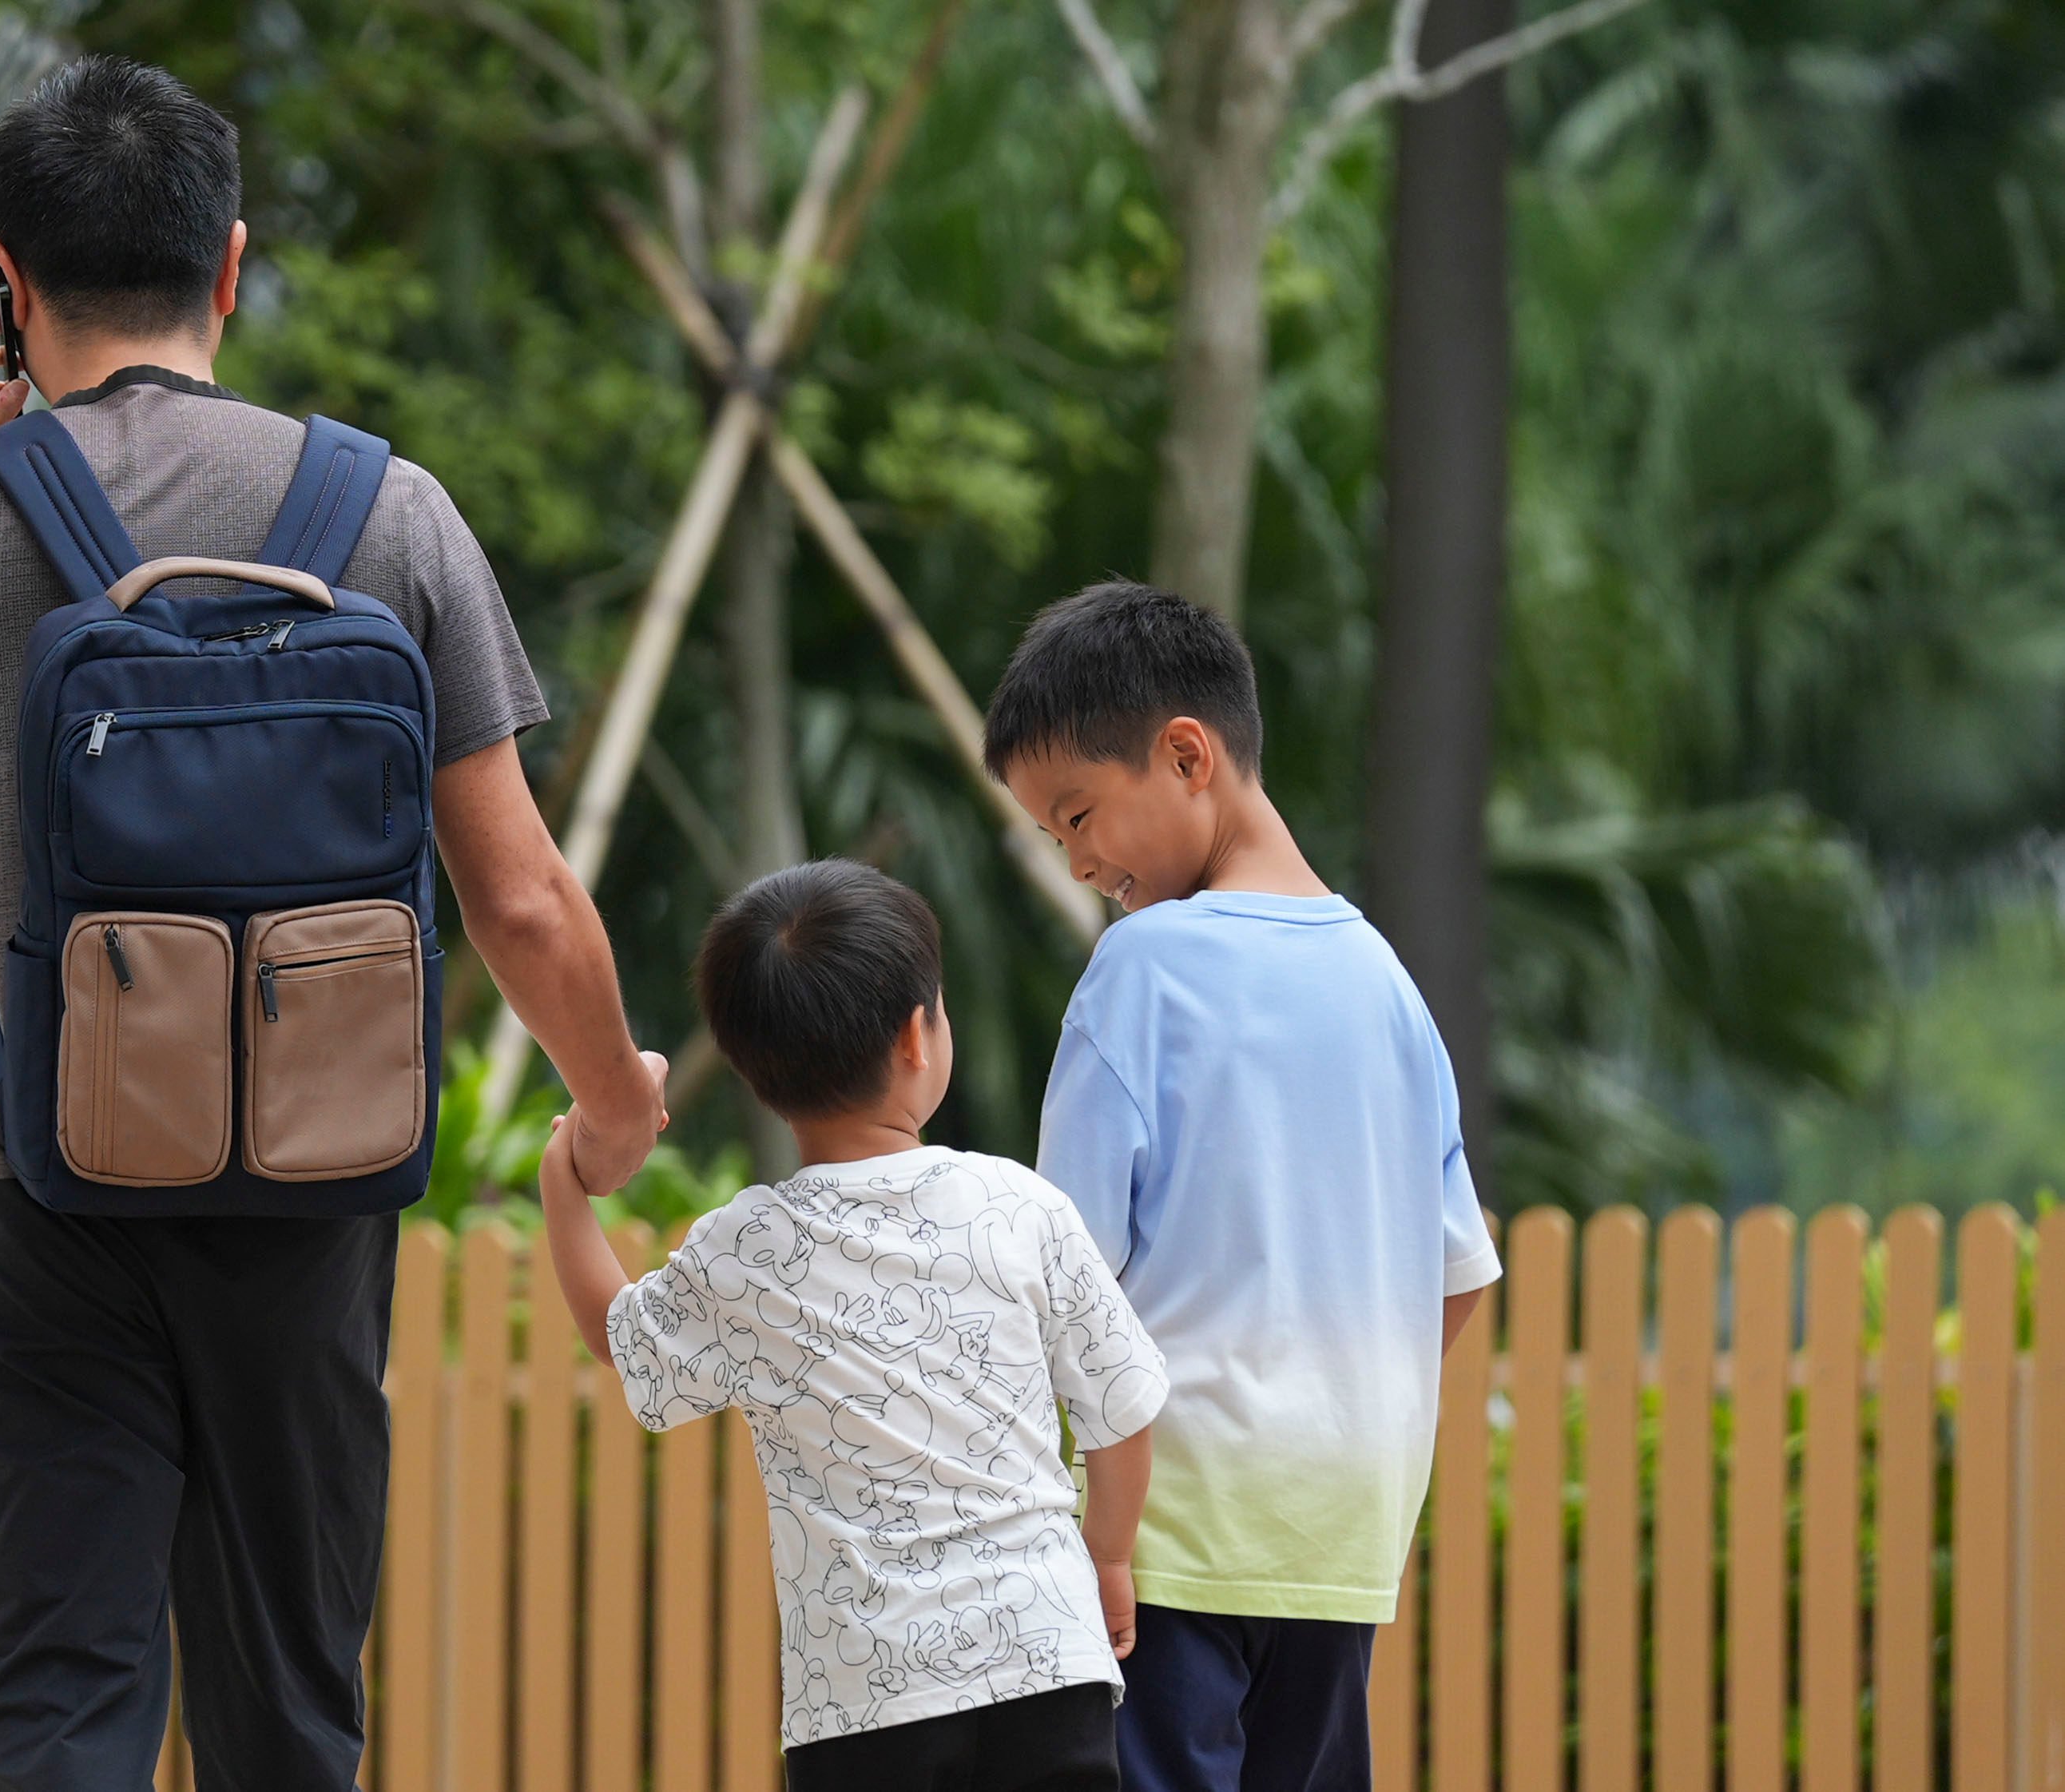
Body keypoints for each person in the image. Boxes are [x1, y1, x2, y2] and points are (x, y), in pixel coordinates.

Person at [0, 56, 667, 1792]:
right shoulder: (386, 512)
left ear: (6, 287)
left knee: (58, 1712)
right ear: (230, 265)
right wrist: (613, 1096)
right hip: (304, 1189)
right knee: (288, 1716)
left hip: (24, 1186)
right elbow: (524, 893)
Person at [981, 582, 1503, 1792]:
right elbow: (1463, 1268)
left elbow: (1060, 1276)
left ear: (1184, 753)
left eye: (1078, 815)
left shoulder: (1142, 967)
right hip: (1341, 1536)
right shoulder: (1388, 983)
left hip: (1163, 1536)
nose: (1077, 862)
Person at [535, 858, 1171, 1792]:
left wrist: (565, 1181)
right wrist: (1106, 1554)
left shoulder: (748, 1247)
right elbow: (1122, 1412)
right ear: (919, 1035)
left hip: (863, 1700)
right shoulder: (1017, 1206)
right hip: (1045, 1657)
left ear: (756, 1075)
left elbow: (617, 1333)